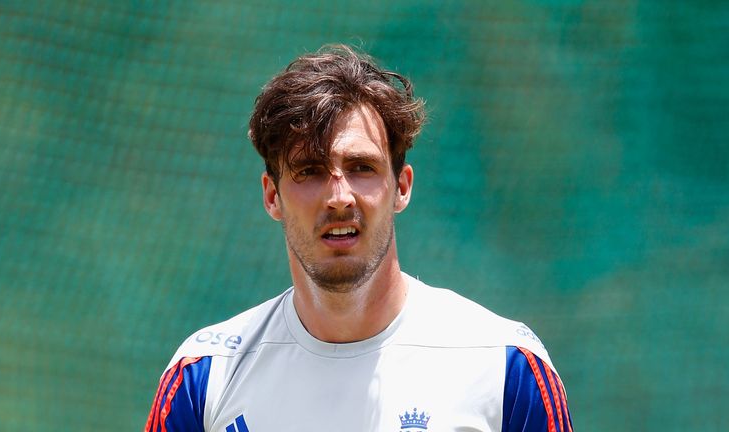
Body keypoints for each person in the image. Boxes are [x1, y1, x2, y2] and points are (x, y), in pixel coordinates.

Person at [145, 44, 573, 432]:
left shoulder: (504, 365)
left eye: (361, 167)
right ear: (272, 195)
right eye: (310, 171)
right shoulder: (204, 376)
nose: (339, 196)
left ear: (401, 187)